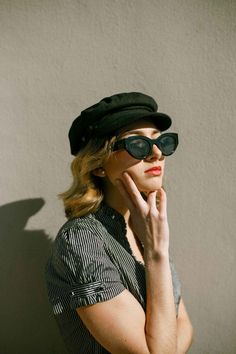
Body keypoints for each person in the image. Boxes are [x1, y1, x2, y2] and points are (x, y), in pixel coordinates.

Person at [45, 92, 193, 354]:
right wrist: (157, 256)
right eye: (138, 145)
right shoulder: (82, 240)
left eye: (163, 142)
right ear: (99, 164)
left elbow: (185, 327)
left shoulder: (144, 229)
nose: (157, 154)